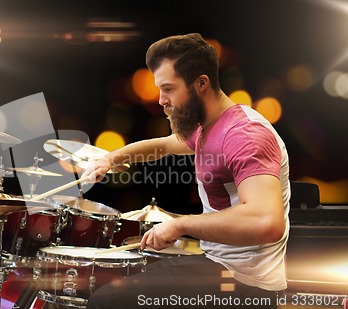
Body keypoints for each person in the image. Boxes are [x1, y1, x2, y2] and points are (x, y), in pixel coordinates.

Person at [83, 33, 290, 308]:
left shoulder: (245, 135)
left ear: (200, 83)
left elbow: (267, 222)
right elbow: (167, 145)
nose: (160, 100)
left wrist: (181, 225)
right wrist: (112, 158)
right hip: (220, 267)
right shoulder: (210, 125)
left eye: (168, 89)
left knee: (106, 301)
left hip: (244, 286)